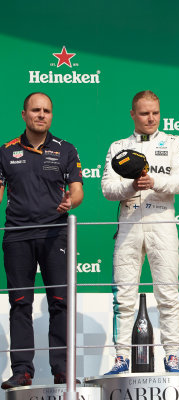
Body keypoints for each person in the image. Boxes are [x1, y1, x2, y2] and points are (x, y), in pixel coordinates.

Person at [101, 90, 179, 373]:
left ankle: (173, 356)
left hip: (162, 223)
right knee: (125, 297)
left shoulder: (175, 142)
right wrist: (131, 187)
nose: (150, 118)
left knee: (167, 294)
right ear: (133, 114)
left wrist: (153, 182)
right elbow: (107, 189)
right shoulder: (118, 146)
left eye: (155, 113)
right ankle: (121, 358)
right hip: (128, 224)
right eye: (144, 113)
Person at [0, 92, 84, 388]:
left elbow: (77, 191)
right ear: (23, 114)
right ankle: (22, 370)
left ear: (51, 115)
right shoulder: (6, 151)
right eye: (35, 110)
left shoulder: (65, 150)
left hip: (55, 235)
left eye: (46, 110)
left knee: (60, 302)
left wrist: (69, 202)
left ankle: (63, 368)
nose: (41, 115)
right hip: (17, 237)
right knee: (20, 304)